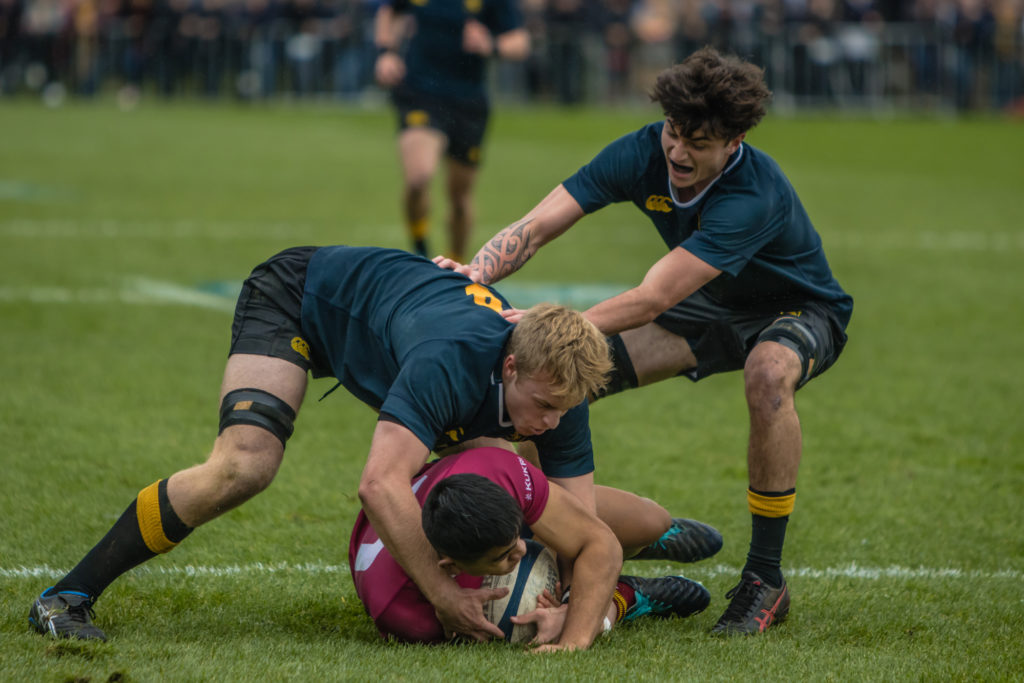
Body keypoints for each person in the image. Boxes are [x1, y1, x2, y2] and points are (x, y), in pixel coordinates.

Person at [435, 47, 854, 636]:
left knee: (768, 374)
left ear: (733, 141)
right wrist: (470, 278)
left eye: (698, 143)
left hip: (795, 309)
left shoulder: (752, 194)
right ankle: (591, 541)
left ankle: (764, 578)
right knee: (555, 386)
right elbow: (539, 224)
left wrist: (553, 327)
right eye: (673, 135)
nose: (679, 153)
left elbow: (652, 298)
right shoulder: (642, 151)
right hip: (708, 307)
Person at [28, 245, 621, 645]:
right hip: (299, 297)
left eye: (562, 411)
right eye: (542, 407)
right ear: (512, 367)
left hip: (397, 338)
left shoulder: (563, 392)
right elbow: (379, 484)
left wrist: (571, 609)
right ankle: (66, 596)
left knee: (503, 477)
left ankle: (644, 577)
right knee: (244, 466)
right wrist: (441, 595)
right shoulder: (452, 363)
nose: (550, 422)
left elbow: (580, 524)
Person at [351, 446, 712, 649]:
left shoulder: (494, 470)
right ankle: (625, 595)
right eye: (504, 557)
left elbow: (600, 544)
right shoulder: (407, 617)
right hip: (444, 556)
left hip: (492, 497)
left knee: (652, 522)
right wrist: (576, 617)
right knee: (564, 608)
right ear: (451, 567)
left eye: (518, 541)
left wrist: (572, 636)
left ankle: (637, 546)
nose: (521, 553)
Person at [373, 0, 529, 261]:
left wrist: (491, 45)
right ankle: (420, 247)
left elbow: (521, 43)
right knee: (418, 176)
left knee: (459, 197)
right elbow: (388, 10)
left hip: (468, 103)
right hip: (420, 91)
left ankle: (456, 264)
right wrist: (386, 52)